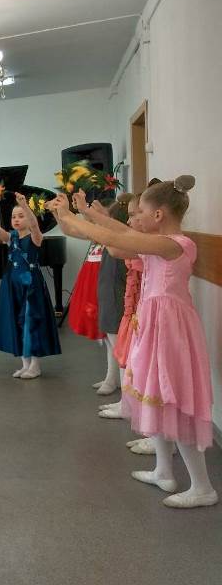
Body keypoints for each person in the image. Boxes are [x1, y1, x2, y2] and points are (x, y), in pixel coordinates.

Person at [50, 176, 217, 508]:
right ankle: (164, 471)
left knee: (173, 401)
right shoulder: (156, 242)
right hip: (156, 326)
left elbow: (116, 237)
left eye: (140, 212)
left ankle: (203, 487)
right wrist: (82, 215)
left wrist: (71, 216)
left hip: (170, 330)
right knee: (156, 396)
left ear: (158, 215)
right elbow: (117, 238)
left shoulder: (177, 243)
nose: (134, 218)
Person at [0, 191, 61, 378]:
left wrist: (24, 206)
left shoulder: (35, 237)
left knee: (31, 321)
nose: (16, 219)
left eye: (21, 216)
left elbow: (34, 224)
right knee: (17, 321)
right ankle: (25, 364)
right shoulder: (12, 237)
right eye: (14, 216)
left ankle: (35, 366)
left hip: (30, 286)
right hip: (12, 286)